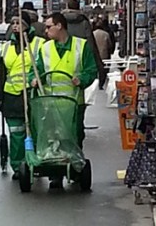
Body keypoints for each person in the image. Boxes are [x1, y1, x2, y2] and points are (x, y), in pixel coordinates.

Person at [34, 12, 98, 189]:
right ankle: (56, 173)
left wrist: (82, 79)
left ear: (59, 26)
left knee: (73, 137)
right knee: (53, 138)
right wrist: (35, 78)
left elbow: (91, 70)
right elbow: (38, 68)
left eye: (49, 27)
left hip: (73, 103)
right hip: (50, 103)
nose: (45, 31)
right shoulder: (45, 48)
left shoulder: (81, 46)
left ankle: (75, 167)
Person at [0, 11, 45, 180]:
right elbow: (1, 72)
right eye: (13, 22)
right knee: (16, 132)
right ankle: (18, 165)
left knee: (34, 130)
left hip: (31, 93)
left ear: (27, 25)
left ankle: (35, 160)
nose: (15, 26)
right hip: (11, 95)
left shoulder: (38, 44)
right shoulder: (6, 47)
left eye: (19, 22)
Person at [62, 0, 106, 87]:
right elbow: (91, 43)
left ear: (68, 7)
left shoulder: (61, 21)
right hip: (81, 55)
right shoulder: (84, 22)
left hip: (63, 54)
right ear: (78, 7)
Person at [93, 19, 115, 89]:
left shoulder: (93, 34)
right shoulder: (106, 34)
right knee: (104, 69)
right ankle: (102, 82)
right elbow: (110, 45)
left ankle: (98, 79)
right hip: (104, 54)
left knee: (97, 68)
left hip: (95, 54)